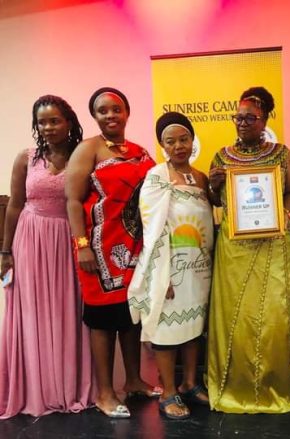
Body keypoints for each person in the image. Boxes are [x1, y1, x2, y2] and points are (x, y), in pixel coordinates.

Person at [206, 86, 290, 413]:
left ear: (265, 119)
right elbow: (214, 200)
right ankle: (234, 384)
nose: (242, 123)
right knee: (235, 316)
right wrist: (214, 186)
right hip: (234, 248)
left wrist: (277, 216)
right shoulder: (221, 156)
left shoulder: (281, 154)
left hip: (273, 245)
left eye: (250, 118)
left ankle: (280, 384)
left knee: (274, 315)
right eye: (238, 117)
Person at [65, 87, 159, 418]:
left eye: (116, 109)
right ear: (94, 116)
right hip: (99, 250)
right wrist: (82, 246)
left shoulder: (139, 151)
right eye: (102, 110)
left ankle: (134, 380)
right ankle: (105, 393)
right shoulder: (88, 149)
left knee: (130, 315)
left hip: (134, 245)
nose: (110, 115)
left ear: (127, 112)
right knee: (103, 321)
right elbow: (73, 201)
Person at [0, 95, 94, 418]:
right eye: (42, 122)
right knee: (33, 313)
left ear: (69, 122)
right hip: (31, 240)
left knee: (68, 311)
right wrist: (5, 251)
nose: (48, 127)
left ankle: (68, 386)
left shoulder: (84, 156)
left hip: (69, 241)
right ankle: (35, 389)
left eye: (54, 121)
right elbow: (15, 205)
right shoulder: (25, 158)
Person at [128, 112, 213, 419]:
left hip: (199, 267)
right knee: (166, 331)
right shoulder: (156, 177)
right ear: (162, 145)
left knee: (192, 328)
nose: (178, 146)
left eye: (184, 139)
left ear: (192, 140)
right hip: (169, 267)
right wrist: (163, 275)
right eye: (170, 141)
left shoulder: (201, 177)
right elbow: (153, 229)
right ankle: (168, 392)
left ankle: (189, 383)